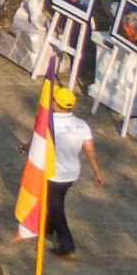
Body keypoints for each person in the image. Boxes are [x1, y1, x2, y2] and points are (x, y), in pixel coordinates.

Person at [46, 85, 101, 257]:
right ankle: (48, 227)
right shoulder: (81, 124)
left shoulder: (50, 123)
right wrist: (97, 172)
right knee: (55, 202)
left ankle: (67, 246)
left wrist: (22, 148)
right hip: (72, 174)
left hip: (54, 174)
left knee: (56, 208)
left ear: (55, 103)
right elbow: (90, 151)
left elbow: (36, 142)